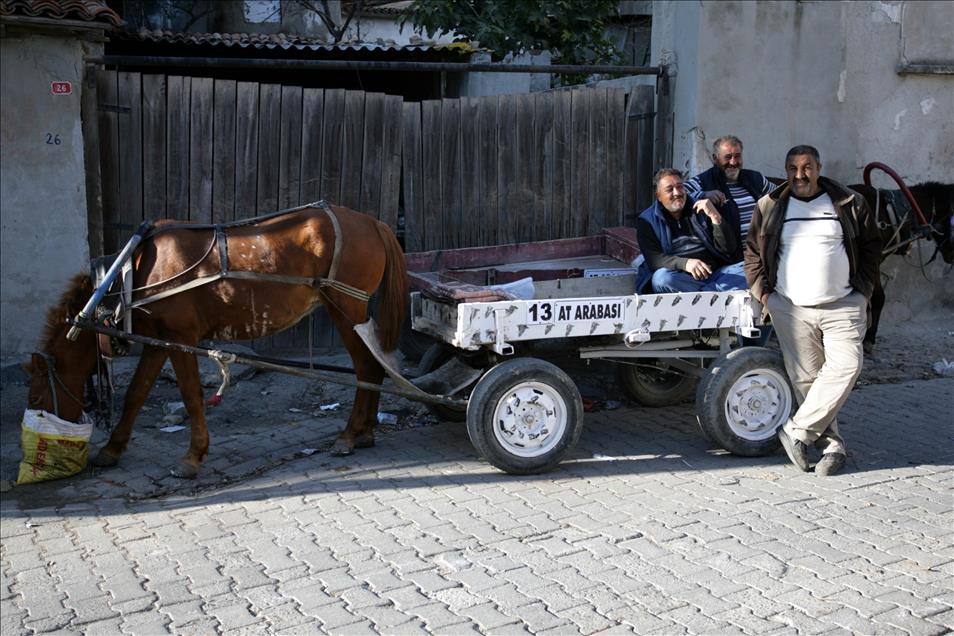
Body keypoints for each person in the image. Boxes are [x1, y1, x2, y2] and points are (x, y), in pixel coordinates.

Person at [744, 145, 881, 476]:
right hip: (791, 307)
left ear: (819, 168)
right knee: (807, 379)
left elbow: (871, 246)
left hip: (843, 304)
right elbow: (752, 252)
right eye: (793, 168)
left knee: (848, 365)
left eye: (806, 167)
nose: (799, 174)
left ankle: (797, 431)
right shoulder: (771, 205)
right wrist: (764, 295)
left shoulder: (848, 203)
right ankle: (832, 445)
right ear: (786, 170)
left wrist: (862, 291)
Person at [635, 169, 746, 293]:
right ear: (659, 196)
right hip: (681, 279)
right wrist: (685, 263)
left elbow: (729, 248)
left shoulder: (702, 208)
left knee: (750, 269)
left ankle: (704, 295)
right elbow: (654, 260)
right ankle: (714, 295)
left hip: (714, 275)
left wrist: (716, 217)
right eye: (669, 189)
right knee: (661, 278)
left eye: (679, 187)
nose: (677, 193)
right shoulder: (647, 220)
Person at [685, 135, 775, 261]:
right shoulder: (704, 182)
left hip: (762, 256)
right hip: (728, 261)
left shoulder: (755, 179)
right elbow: (677, 196)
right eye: (727, 157)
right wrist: (703, 194)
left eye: (737, 156)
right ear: (715, 159)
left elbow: (780, 196)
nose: (733, 162)